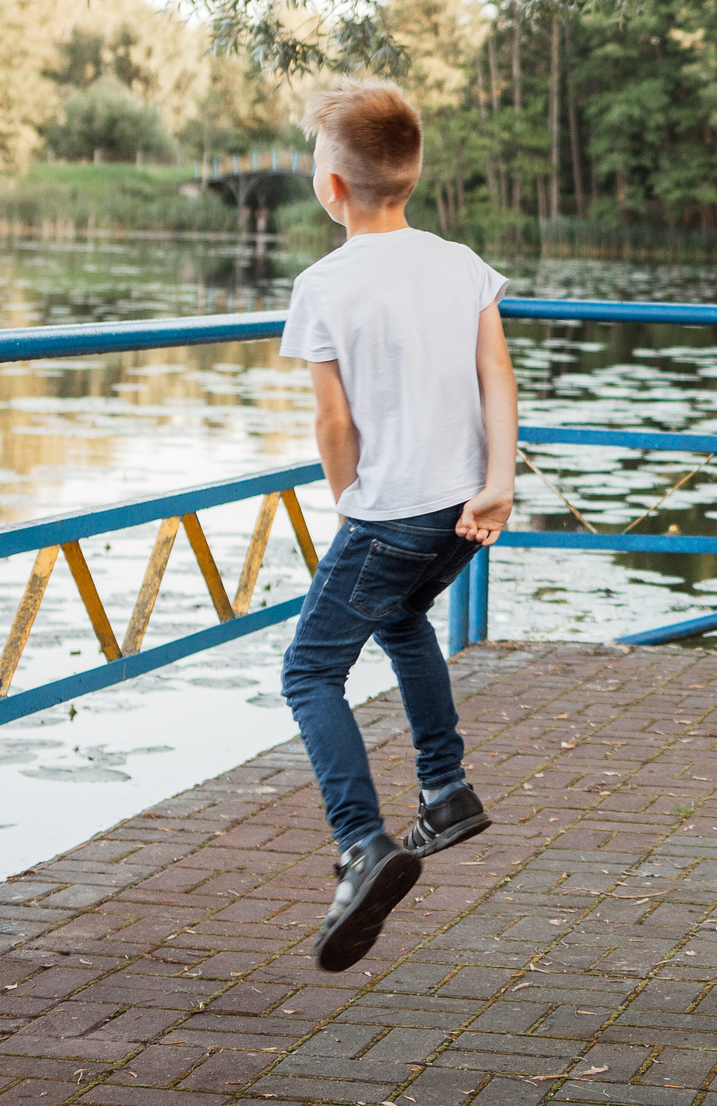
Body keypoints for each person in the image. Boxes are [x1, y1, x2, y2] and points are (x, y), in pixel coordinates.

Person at [275, 82, 518, 972]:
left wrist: (349, 499)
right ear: (411, 175)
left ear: (331, 187)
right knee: (402, 618)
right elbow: (498, 373)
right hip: (463, 507)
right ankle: (446, 790)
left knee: (309, 670)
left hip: (387, 510)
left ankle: (360, 844)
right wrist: (498, 483)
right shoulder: (460, 263)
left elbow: (333, 423)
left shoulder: (324, 282)